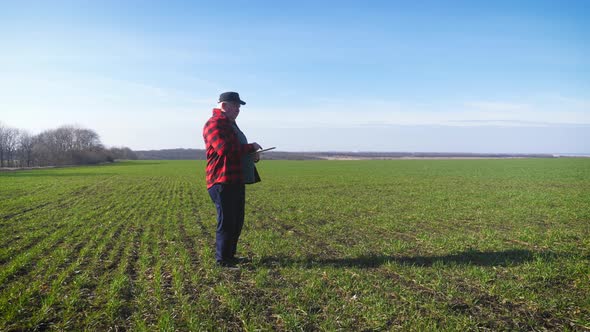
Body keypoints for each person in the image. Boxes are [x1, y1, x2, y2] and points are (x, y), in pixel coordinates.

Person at [202, 91, 262, 268]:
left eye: (239, 106)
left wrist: (252, 155)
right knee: (227, 222)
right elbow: (224, 148)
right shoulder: (214, 123)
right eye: (235, 105)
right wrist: (250, 147)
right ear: (224, 105)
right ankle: (222, 260)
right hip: (221, 180)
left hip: (235, 179)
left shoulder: (230, 124)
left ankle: (230, 256)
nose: (238, 109)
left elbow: (236, 151)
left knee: (236, 221)